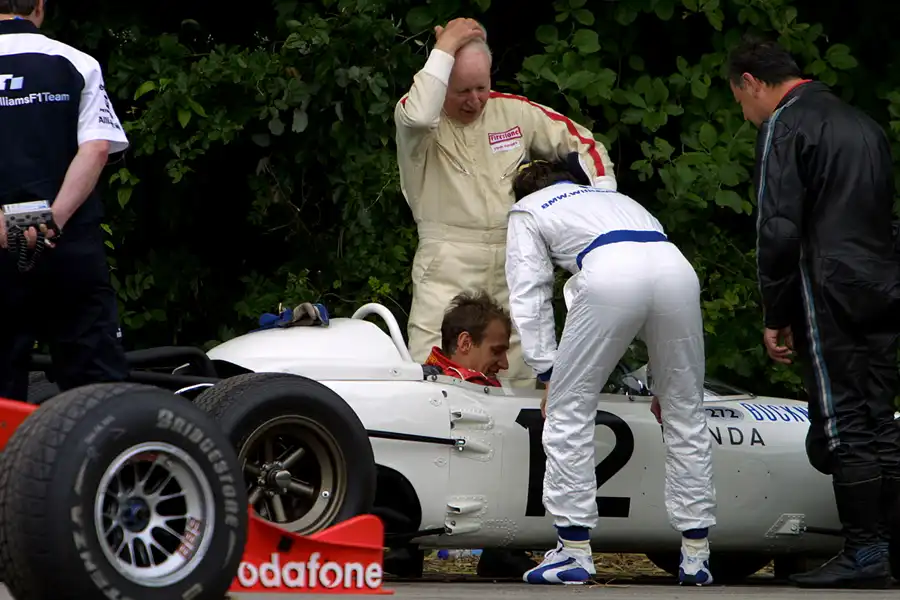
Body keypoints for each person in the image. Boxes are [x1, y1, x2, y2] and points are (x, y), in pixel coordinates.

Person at [727, 36, 900, 589]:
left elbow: (776, 229)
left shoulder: (788, 124)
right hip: (883, 282)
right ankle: (891, 547)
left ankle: (866, 549)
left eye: (741, 102)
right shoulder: (864, 124)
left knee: (843, 418)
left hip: (827, 287)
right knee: (880, 416)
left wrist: (775, 310)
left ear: (751, 82)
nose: (748, 115)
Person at [505, 159, 716, 586]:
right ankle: (696, 555)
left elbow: (529, 289)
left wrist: (547, 370)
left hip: (610, 273)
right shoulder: (617, 198)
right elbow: (651, 272)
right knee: (685, 412)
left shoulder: (527, 209)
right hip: (676, 271)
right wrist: (661, 381)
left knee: (567, 413)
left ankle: (574, 552)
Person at [394, 17, 617, 389]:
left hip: (513, 263)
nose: (474, 100)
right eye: (462, 90)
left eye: (482, 87)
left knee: (520, 377)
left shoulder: (512, 111)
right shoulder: (417, 117)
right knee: (434, 381)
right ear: (441, 81)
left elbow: (585, 146)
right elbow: (418, 114)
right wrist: (445, 47)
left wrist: (602, 208)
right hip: (446, 266)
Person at [0, 0, 130, 402]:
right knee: (96, 386)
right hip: (67, 243)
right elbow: (95, 150)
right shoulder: (77, 61)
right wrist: (50, 220)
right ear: (39, 6)